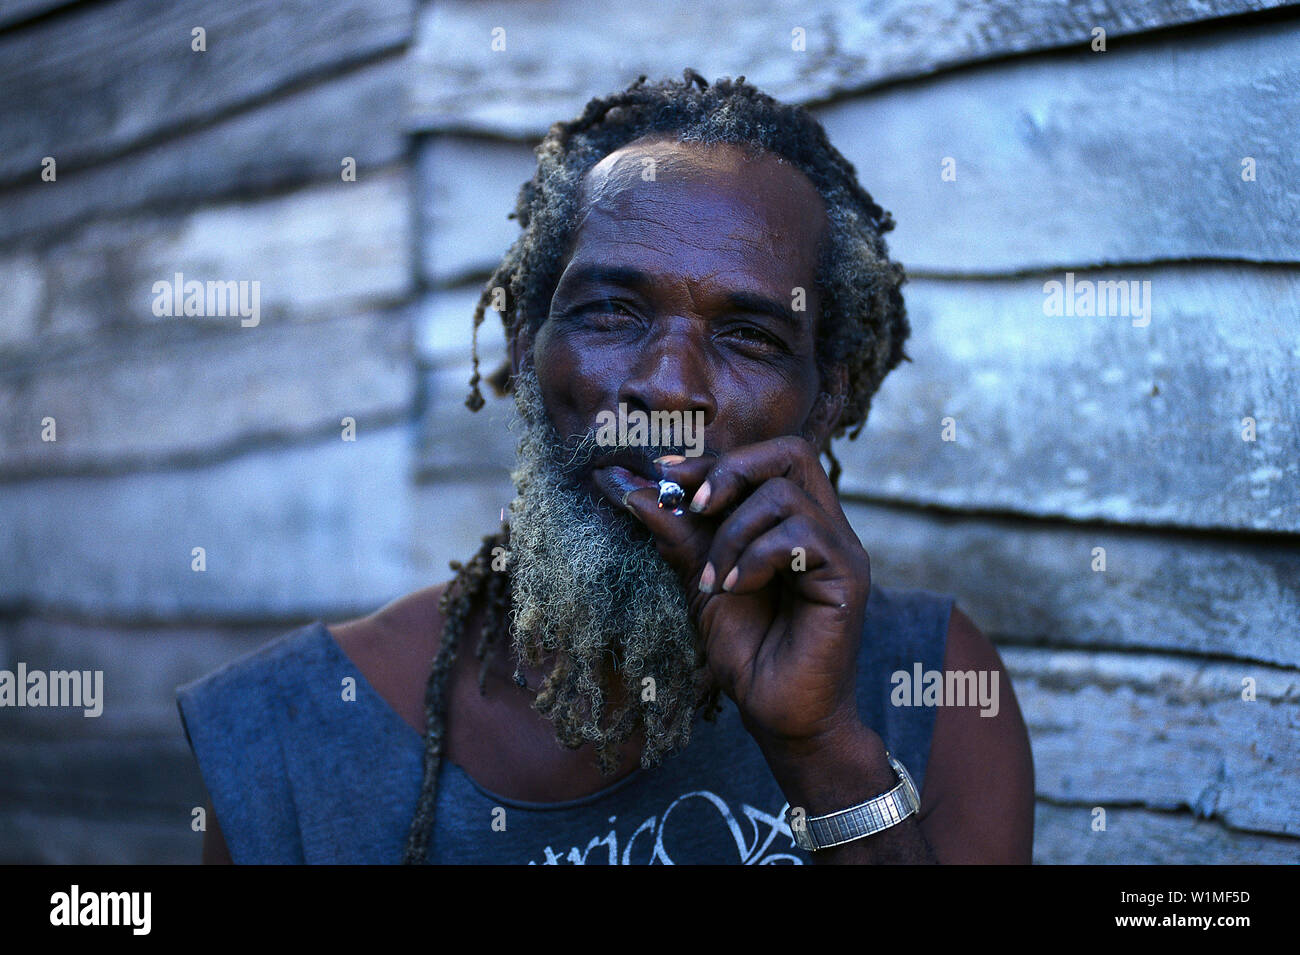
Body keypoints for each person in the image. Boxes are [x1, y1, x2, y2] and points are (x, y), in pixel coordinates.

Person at [178, 70, 1034, 865]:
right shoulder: (296, 736)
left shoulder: (932, 686)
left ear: (824, 402)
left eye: (748, 336)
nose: (667, 385)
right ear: (525, 349)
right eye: (612, 312)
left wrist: (822, 749)